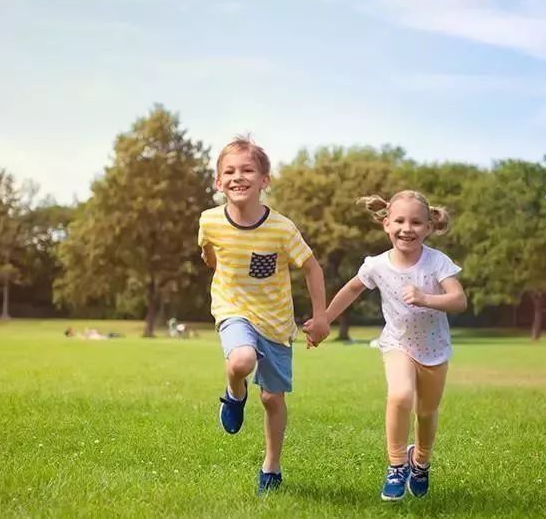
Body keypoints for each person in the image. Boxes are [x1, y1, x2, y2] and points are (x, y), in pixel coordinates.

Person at [305, 190, 467, 501]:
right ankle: (396, 465)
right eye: (400, 221)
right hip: (397, 343)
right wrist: (323, 320)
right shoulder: (376, 265)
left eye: (417, 222)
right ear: (386, 224)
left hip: (434, 349)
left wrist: (426, 298)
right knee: (400, 395)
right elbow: (352, 290)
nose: (408, 228)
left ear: (429, 228)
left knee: (427, 412)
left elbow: (459, 299)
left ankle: (420, 462)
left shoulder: (437, 262)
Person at [198, 135, 330, 495]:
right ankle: (234, 393)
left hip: (275, 322)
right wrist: (216, 264)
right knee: (240, 360)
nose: (238, 176)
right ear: (218, 181)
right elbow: (209, 253)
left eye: (247, 170)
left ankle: (271, 467)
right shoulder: (209, 220)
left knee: (273, 399)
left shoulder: (282, 229)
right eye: (229, 171)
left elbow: (312, 268)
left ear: (264, 180)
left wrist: (320, 317)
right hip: (232, 309)